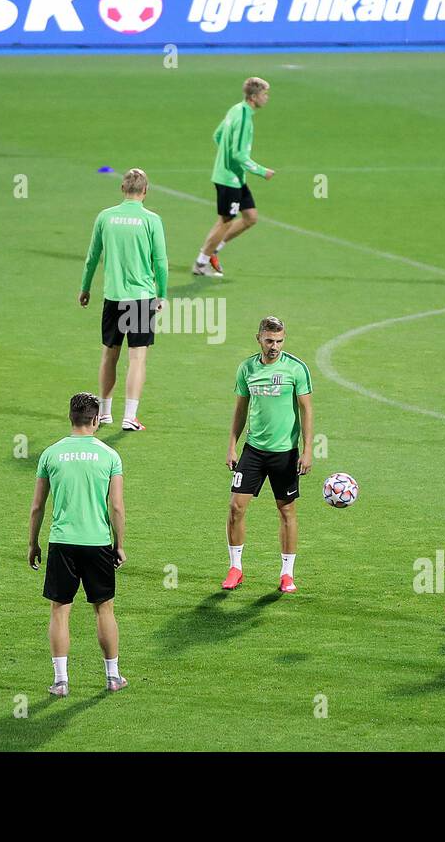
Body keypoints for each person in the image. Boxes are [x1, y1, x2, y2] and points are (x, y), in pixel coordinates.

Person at [29, 393, 128, 696]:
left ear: (71, 417)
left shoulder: (51, 454)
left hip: (62, 543)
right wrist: (119, 544)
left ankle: (61, 681)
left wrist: (33, 543)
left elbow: (37, 507)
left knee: (60, 610)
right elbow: (117, 507)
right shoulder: (110, 455)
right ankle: (112, 677)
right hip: (98, 542)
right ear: (96, 419)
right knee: (104, 610)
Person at [223, 316, 313, 594]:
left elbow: (307, 410)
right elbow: (240, 409)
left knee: (286, 510)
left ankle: (287, 573)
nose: (274, 346)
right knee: (236, 507)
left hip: (285, 454)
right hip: (254, 450)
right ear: (259, 338)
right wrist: (232, 444)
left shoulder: (296, 369)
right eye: (270, 340)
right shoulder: (247, 368)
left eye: (279, 341)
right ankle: (235, 568)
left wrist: (308, 450)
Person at [79, 167, 168, 431]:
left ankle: (104, 413)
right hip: (141, 298)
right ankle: (129, 416)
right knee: (137, 358)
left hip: (113, 296)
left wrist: (85, 288)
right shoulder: (152, 220)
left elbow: (92, 256)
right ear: (145, 191)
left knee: (109, 355)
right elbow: (160, 262)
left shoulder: (105, 217)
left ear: (122, 189)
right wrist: (161, 293)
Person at [192, 77, 274, 277]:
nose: (267, 98)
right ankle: (201, 263)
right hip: (229, 179)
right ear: (254, 97)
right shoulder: (244, 118)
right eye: (264, 94)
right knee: (226, 221)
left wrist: (224, 160)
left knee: (250, 217)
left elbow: (218, 135)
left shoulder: (236, 109)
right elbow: (238, 154)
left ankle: (214, 250)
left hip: (235, 176)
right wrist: (262, 171)